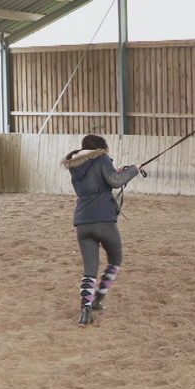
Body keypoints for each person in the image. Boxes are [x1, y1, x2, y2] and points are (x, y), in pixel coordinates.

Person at [62, 134, 142, 326]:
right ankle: (98, 298)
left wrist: (117, 170)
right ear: (100, 147)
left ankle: (85, 309)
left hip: (82, 221)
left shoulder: (75, 165)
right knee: (115, 260)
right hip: (103, 219)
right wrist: (134, 170)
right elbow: (115, 181)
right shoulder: (101, 158)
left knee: (90, 268)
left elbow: (99, 179)